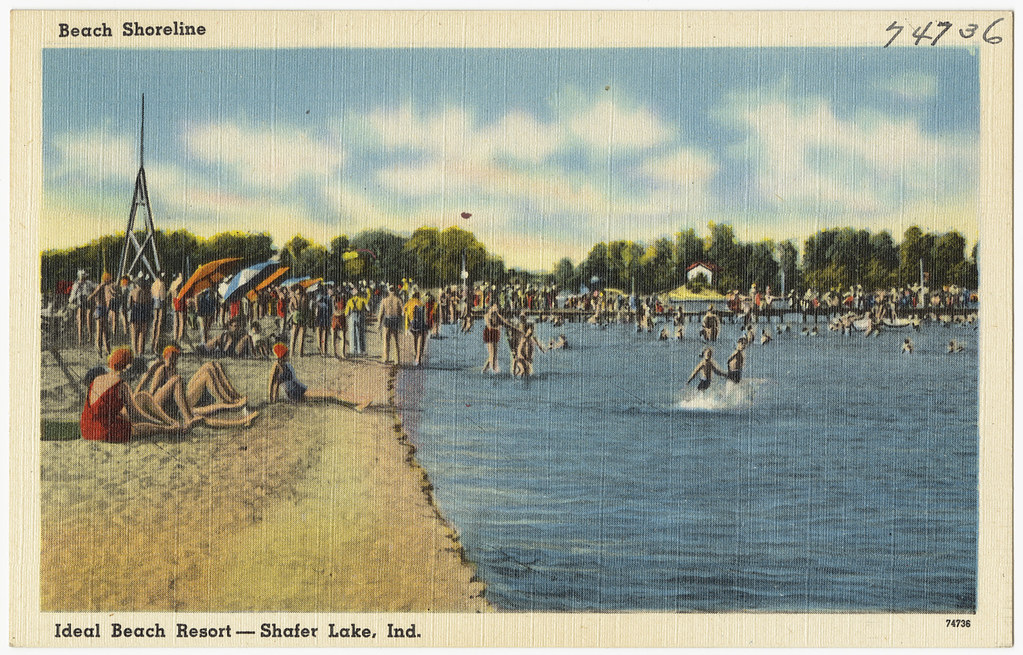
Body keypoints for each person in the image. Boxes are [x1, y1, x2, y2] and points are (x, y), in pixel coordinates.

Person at [81, 347, 197, 441]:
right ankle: (169, 428)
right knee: (139, 428)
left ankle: (171, 422)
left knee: (143, 396)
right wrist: (157, 423)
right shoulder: (121, 385)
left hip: (87, 428)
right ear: (126, 367)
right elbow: (136, 414)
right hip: (104, 430)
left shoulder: (98, 379)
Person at [133, 345, 258, 429]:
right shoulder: (162, 370)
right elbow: (153, 393)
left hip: (178, 403)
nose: (173, 361)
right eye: (171, 358)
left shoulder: (172, 369)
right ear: (165, 357)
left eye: (175, 358)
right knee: (207, 412)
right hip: (170, 407)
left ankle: (235, 398)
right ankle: (234, 405)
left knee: (211, 366)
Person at [268, 344, 371, 410]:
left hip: (299, 390)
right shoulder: (276, 367)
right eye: (286, 353)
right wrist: (272, 401)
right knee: (333, 393)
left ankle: (361, 400)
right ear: (282, 355)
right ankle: (360, 402)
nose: (288, 355)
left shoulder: (283, 365)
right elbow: (272, 385)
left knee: (332, 392)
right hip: (297, 393)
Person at [87, 272, 116, 356]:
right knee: (100, 330)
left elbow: (113, 294)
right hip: (99, 308)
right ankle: (99, 348)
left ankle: (107, 349)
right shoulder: (100, 286)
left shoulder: (108, 286)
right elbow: (92, 295)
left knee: (105, 331)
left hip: (104, 309)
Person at [482, 302, 512, 373]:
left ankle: (486, 370)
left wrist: (513, 327)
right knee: (492, 354)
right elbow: (489, 325)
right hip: (490, 333)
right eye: (495, 307)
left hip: (495, 333)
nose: (496, 309)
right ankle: (494, 369)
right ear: (491, 307)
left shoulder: (497, 315)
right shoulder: (488, 315)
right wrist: (499, 326)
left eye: (497, 307)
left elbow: (505, 323)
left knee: (494, 354)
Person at [377, 285, 403, 364]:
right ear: (395, 291)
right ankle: (397, 360)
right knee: (395, 341)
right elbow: (402, 312)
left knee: (386, 340)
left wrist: (379, 323)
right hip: (395, 320)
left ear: (388, 291)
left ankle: (386, 358)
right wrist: (401, 323)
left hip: (387, 320)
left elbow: (381, 313)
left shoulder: (384, 300)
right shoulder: (398, 300)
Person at [67, 269, 94, 347]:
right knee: (80, 321)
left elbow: (95, 288)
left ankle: (90, 338)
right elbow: (73, 294)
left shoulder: (88, 283)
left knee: (88, 319)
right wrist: (71, 300)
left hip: (87, 300)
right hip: (80, 301)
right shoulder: (76, 284)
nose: (83, 278)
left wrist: (91, 296)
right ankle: (80, 340)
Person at [128, 277, 153, 355]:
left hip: (135, 310)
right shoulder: (148, 292)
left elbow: (129, 304)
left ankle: (135, 352)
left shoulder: (133, 291)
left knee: (134, 333)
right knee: (142, 333)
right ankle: (141, 352)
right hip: (144, 310)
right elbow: (150, 302)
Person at [405, 290, 429, 366]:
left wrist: (406, 326)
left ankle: (416, 355)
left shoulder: (409, 302)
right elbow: (425, 315)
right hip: (420, 323)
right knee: (420, 339)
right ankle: (418, 357)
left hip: (413, 323)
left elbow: (405, 313)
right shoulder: (420, 303)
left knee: (415, 339)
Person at [345, 290, 369, 355]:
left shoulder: (349, 301)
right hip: (360, 316)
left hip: (352, 316)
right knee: (361, 333)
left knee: (352, 333)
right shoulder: (363, 299)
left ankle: (353, 350)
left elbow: (346, 313)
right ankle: (361, 350)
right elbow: (368, 309)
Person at [150, 273, 167, 354]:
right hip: (160, 301)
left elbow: (152, 294)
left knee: (155, 322)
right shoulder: (162, 284)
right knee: (159, 324)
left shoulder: (153, 284)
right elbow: (163, 296)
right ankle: (155, 346)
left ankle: (152, 344)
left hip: (154, 302)